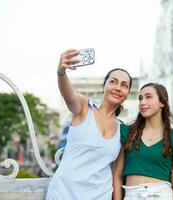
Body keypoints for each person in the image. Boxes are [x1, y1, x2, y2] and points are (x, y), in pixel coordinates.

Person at [46, 49, 132, 200]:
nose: (118, 87)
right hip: (63, 194)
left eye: (124, 85)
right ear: (102, 86)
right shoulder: (85, 106)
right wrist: (61, 73)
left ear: (128, 93)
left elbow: (115, 175)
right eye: (113, 82)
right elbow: (69, 95)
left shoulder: (122, 129)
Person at [113, 83, 173, 200]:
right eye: (140, 98)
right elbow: (117, 175)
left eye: (148, 97)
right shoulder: (127, 132)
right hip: (131, 195)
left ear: (162, 103)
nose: (142, 102)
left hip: (162, 195)